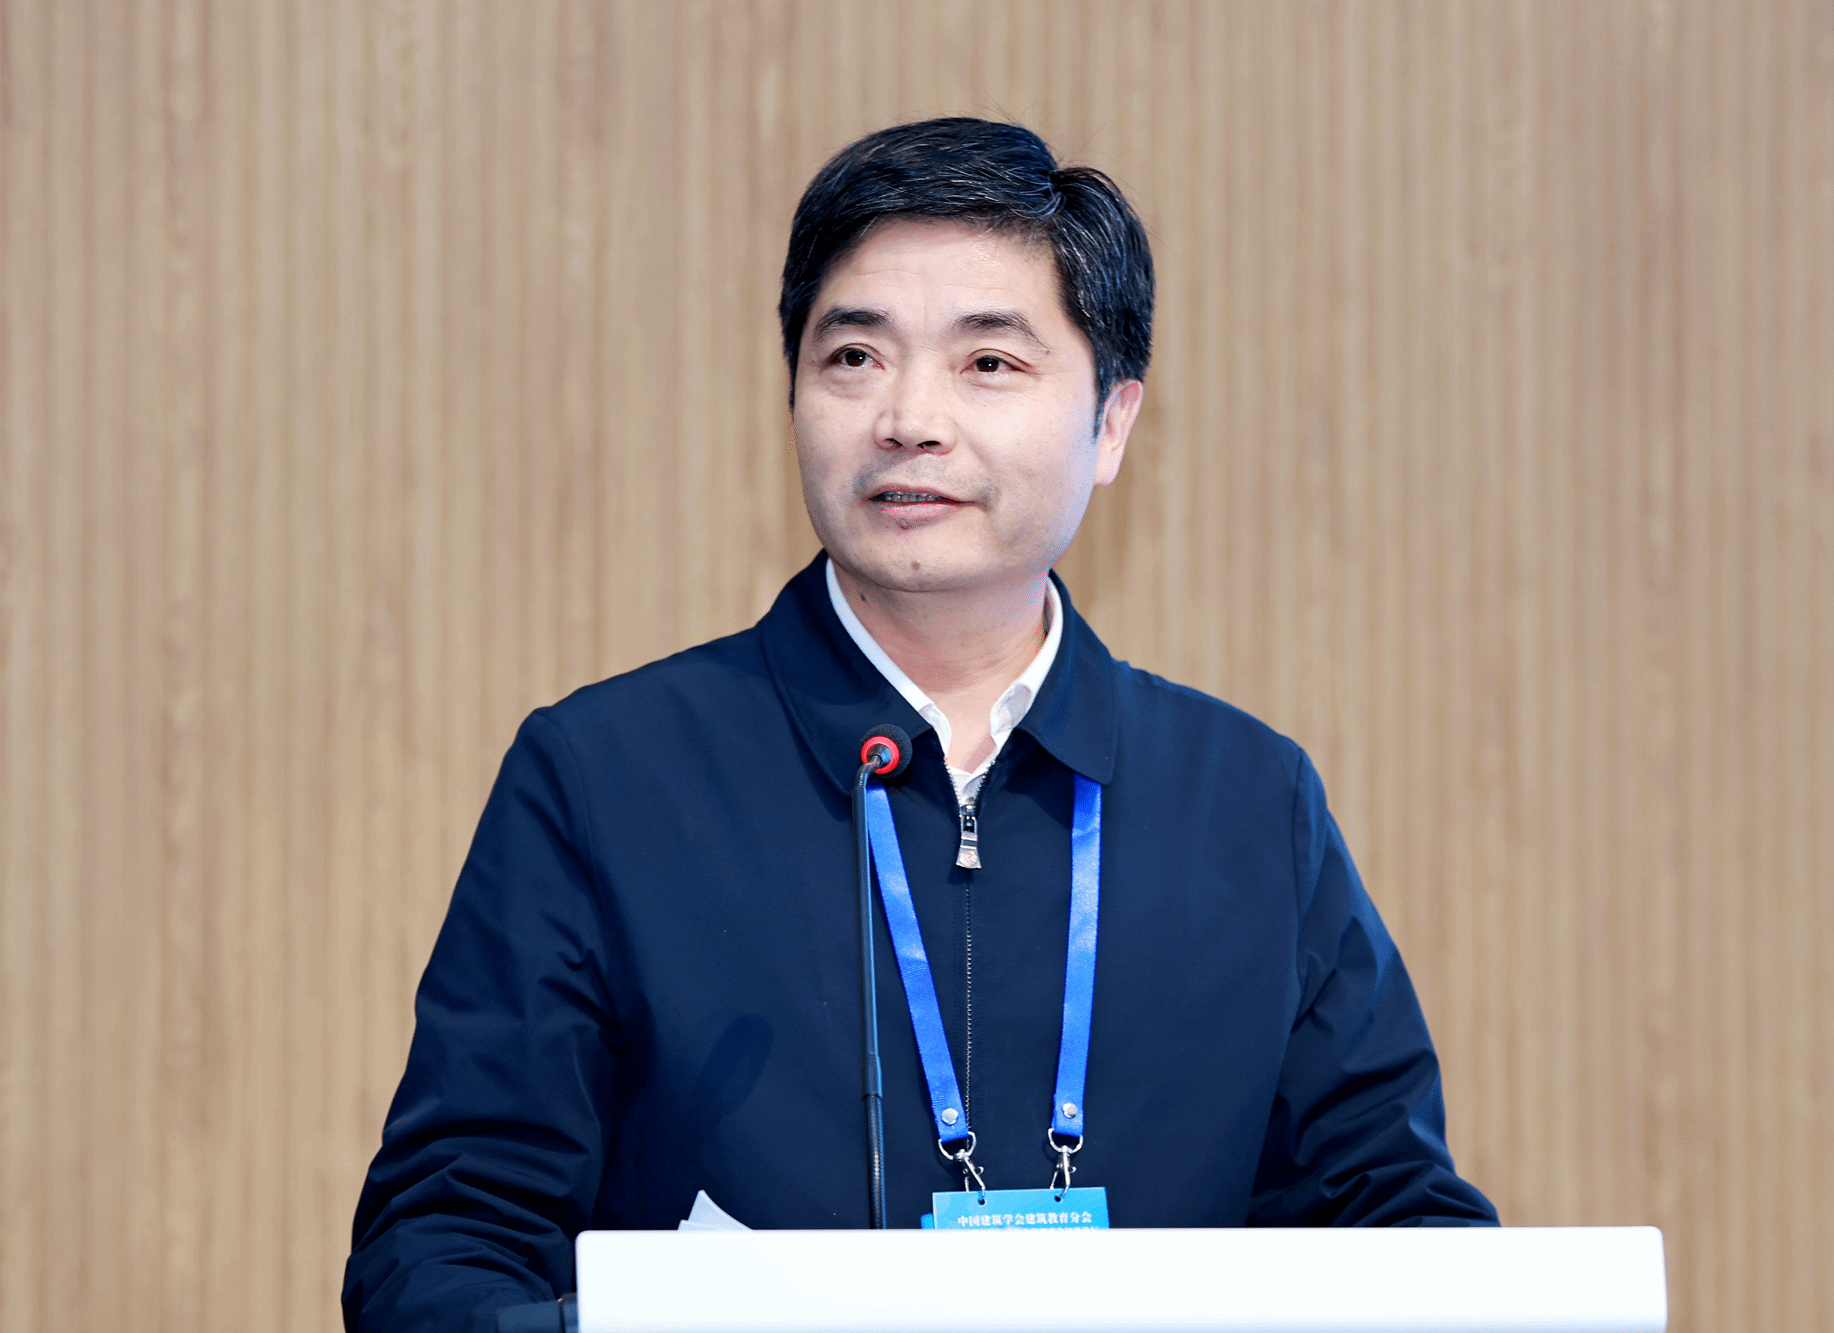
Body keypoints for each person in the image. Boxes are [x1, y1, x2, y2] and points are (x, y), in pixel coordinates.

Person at [343, 117, 1497, 1333]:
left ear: (1110, 422)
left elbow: (1401, 1234)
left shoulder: (1247, 803)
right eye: (853, 356)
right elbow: (440, 1249)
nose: (907, 418)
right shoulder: (605, 778)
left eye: (987, 362)